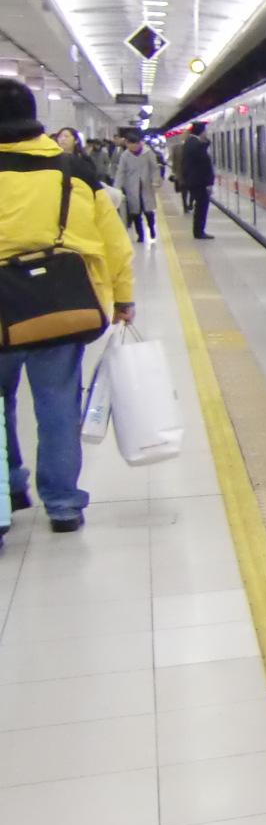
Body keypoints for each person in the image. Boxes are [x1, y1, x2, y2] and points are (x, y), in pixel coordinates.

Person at [0, 79, 135, 543]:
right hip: (58, 307)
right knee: (57, 404)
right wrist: (123, 297)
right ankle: (62, 504)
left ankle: (7, 493)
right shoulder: (73, 169)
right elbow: (114, 242)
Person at [116, 133, 161, 243]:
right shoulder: (125, 155)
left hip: (146, 186)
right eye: (129, 144)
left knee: (148, 211)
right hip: (131, 187)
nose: (132, 147)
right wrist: (117, 187)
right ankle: (140, 235)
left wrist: (155, 181)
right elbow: (121, 172)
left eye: (134, 144)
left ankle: (151, 228)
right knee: (135, 212)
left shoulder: (147, 153)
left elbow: (154, 168)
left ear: (139, 143)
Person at [185, 121, 215, 238]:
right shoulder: (196, 144)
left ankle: (198, 231)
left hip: (194, 180)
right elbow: (204, 164)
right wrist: (209, 183)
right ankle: (199, 232)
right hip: (200, 182)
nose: (206, 133)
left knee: (200, 206)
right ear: (202, 132)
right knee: (201, 207)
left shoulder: (190, 142)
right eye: (205, 131)